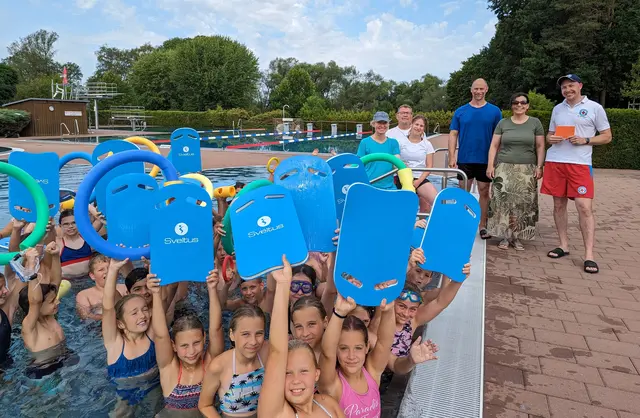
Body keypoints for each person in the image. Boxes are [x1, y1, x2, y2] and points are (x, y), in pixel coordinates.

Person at [541, 74, 612, 274]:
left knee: (584, 207)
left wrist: (585, 140)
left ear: (580, 85)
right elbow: (549, 134)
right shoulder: (557, 108)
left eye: (571, 86)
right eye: (564, 87)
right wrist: (551, 138)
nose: (567, 90)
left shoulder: (595, 108)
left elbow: (607, 136)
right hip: (556, 161)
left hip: (579, 164)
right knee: (558, 204)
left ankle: (589, 254)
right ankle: (563, 245)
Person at [258, 255, 345, 418]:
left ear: (316, 374)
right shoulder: (278, 414)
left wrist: (340, 313)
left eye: (304, 371)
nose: (296, 380)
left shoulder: (328, 404)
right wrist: (283, 285)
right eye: (286, 373)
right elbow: (277, 354)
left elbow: (328, 352)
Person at [148, 269, 225, 416]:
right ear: (173, 346)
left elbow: (216, 328)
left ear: (204, 338)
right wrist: (156, 294)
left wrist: (212, 289)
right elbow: (160, 335)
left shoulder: (210, 363)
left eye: (196, 343)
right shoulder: (169, 368)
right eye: (184, 346)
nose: (191, 352)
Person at [318, 293, 396, 418]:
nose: (351, 356)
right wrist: (339, 313)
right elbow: (327, 353)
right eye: (343, 348)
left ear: (367, 347)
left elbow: (385, 343)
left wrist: (388, 309)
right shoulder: (332, 385)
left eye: (358, 348)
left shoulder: (372, 371)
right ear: (336, 350)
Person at [486, 92, 546, 251]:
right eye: (515, 103)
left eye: (523, 102)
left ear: (527, 105)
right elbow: (494, 146)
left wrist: (540, 166)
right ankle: (505, 236)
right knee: (503, 202)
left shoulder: (535, 123)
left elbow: (540, 146)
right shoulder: (503, 123)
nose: (519, 105)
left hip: (527, 169)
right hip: (504, 167)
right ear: (511, 105)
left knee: (523, 203)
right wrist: (490, 166)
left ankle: (517, 237)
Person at [103, 257, 162, 416]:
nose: (142, 315)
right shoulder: (114, 343)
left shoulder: (151, 334)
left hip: (154, 385)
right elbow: (108, 307)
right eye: (134, 313)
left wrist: (154, 271)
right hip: (125, 392)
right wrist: (113, 270)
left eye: (144, 309)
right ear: (121, 323)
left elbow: (158, 300)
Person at [448, 78, 503, 239]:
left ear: (486, 89)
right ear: (471, 90)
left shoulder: (494, 111)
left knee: (484, 192)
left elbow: (498, 136)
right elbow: (453, 134)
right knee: (463, 191)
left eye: (481, 89)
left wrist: (494, 160)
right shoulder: (460, 111)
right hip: (465, 158)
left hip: (485, 159)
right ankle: (462, 222)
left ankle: (482, 225)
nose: (478, 92)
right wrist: (452, 156)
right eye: (475, 89)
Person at [198, 304, 270, 418]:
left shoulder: (267, 352)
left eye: (259, 333)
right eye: (245, 334)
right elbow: (205, 405)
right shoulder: (219, 366)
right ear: (232, 335)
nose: (253, 341)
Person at [396, 115, 438, 212]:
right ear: (411, 124)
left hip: (420, 177)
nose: (418, 127)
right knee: (405, 207)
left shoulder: (427, 144)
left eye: (421, 126)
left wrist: (418, 181)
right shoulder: (400, 142)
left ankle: (425, 224)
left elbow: (429, 166)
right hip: (403, 177)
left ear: (424, 129)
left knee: (435, 200)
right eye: (416, 124)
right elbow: (397, 160)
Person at [76, 253, 129, 320]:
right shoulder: (84, 295)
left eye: (109, 268)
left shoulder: (124, 288)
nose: (107, 271)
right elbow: (86, 317)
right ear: (92, 275)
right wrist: (110, 318)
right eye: (101, 270)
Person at [357, 111, 401, 190]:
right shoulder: (365, 142)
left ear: (388, 125)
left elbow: (397, 163)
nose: (382, 126)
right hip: (369, 185)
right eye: (379, 123)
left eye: (385, 123)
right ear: (373, 124)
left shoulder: (393, 143)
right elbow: (359, 164)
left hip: (389, 187)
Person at [56, 209, 103, 279]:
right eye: (66, 224)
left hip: (89, 279)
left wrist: (88, 206)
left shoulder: (87, 238)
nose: (70, 226)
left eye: (74, 222)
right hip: (68, 282)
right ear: (60, 226)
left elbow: (100, 219)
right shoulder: (58, 243)